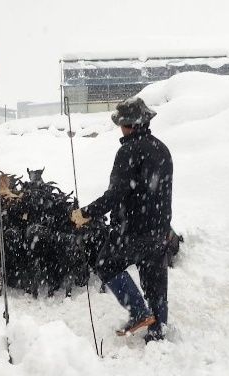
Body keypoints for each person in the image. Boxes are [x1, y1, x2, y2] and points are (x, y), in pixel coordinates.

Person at [71, 97, 173, 342]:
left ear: (128, 125)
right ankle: (158, 330)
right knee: (154, 281)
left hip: (132, 230)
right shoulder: (162, 148)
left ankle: (138, 311)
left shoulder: (128, 151)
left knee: (106, 264)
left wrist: (85, 213)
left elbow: (116, 194)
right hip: (160, 229)